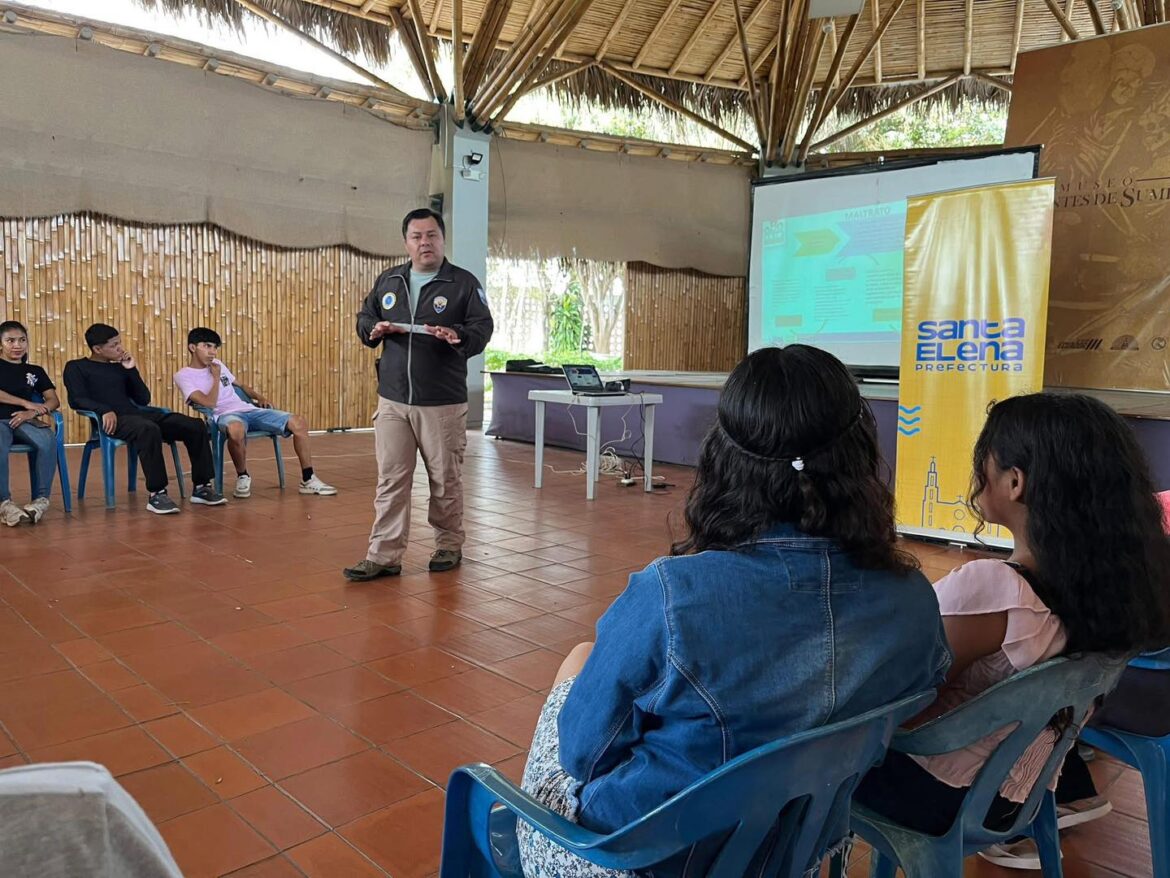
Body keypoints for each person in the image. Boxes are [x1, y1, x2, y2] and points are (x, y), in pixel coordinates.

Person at [516, 345, 952, 878]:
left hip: (639, 859)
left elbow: (581, 755)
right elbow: (920, 693)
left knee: (576, 670)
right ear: (859, 455)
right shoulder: (912, 598)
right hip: (792, 854)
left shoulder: (673, 596)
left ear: (725, 459)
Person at [854, 393, 1170, 867]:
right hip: (1021, 794)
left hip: (938, 794)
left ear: (1015, 482)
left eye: (985, 455)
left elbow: (899, 693)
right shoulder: (1115, 587)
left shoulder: (995, 590)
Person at [344, 208, 494, 581]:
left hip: (442, 402)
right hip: (393, 399)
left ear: (442, 239)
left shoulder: (462, 283)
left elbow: (482, 327)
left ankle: (448, 544)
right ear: (406, 242)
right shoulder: (390, 280)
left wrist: (459, 335)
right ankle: (384, 555)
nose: (424, 242)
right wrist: (373, 329)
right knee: (391, 480)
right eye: (416, 236)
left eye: (431, 235)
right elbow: (364, 317)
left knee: (445, 479)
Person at [63, 324, 226, 514]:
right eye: (114, 345)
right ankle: (157, 493)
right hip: (110, 422)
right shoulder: (76, 367)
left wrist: (130, 369)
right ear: (97, 349)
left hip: (138, 415)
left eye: (119, 343)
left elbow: (143, 398)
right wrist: (104, 410)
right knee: (148, 429)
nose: (120, 348)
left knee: (194, 425)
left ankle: (202, 487)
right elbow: (76, 399)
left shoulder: (120, 367)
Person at [174, 328, 336, 499]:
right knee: (236, 429)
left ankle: (308, 479)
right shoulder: (183, 376)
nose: (212, 352)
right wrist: (215, 378)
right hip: (224, 415)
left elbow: (241, 386)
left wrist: (259, 397)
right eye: (207, 346)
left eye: (215, 347)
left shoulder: (218, 364)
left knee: (299, 422)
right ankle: (243, 475)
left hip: (249, 410)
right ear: (192, 347)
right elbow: (209, 403)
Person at [0, 321, 61, 526]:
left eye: (22, 340)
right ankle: (4, 504)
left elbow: (53, 400)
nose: (17, 345)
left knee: (48, 440)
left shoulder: (35, 370)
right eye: (10, 341)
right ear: (1, 344)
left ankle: (40, 501)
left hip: (25, 420)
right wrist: (25, 403)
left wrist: (32, 412)